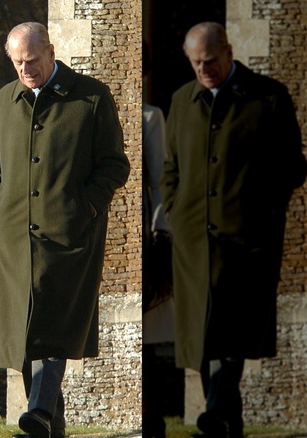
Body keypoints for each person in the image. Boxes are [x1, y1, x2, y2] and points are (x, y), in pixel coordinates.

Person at [0, 22, 130, 438]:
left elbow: (115, 164)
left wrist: (84, 206)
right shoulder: (3, 100)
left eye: (32, 60)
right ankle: (47, 423)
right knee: (27, 335)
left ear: (50, 51)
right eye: (17, 62)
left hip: (69, 236)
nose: (25, 69)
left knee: (52, 325)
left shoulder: (91, 96)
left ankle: (40, 411)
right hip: (14, 237)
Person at [160, 22, 307, 438]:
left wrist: (262, 205)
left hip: (248, 240)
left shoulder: (269, 97)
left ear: (228, 51)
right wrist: (174, 209)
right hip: (193, 240)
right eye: (196, 63)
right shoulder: (181, 100)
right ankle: (225, 421)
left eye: (210, 60)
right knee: (204, 338)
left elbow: (295, 167)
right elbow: (170, 167)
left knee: (233, 332)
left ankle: (217, 411)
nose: (204, 69)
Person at [141, 43, 174, 438]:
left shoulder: (150, 117)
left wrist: (160, 233)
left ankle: (154, 422)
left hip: (141, 237)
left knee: (145, 334)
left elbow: (161, 185)